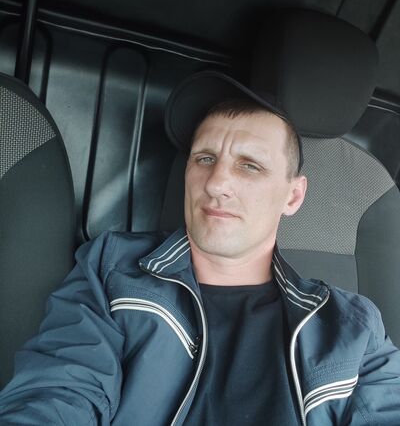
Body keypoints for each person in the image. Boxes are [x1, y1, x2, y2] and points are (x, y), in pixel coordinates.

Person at [0, 71, 399, 425]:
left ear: (293, 196)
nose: (216, 183)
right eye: (205, 158)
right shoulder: (112, 269)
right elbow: (61, 388)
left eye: (249, 165)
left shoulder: (352, 326)